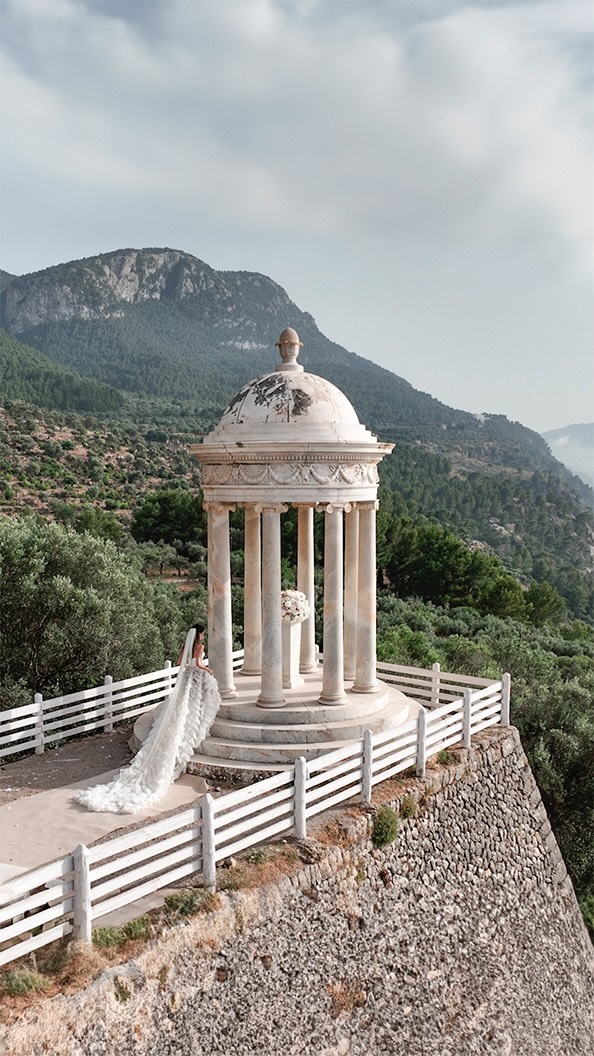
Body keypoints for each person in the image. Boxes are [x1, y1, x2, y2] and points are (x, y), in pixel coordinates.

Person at [75, 625, 221, 814]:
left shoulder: (185, 646)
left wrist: (193, 666)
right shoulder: (199, 646)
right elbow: (199, 664)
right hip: (195, 677)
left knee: (179, 708)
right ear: (200, 634)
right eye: (202, 633)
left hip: (186, 677)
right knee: (192, 708)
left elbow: (181, 662)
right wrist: (208, 670)